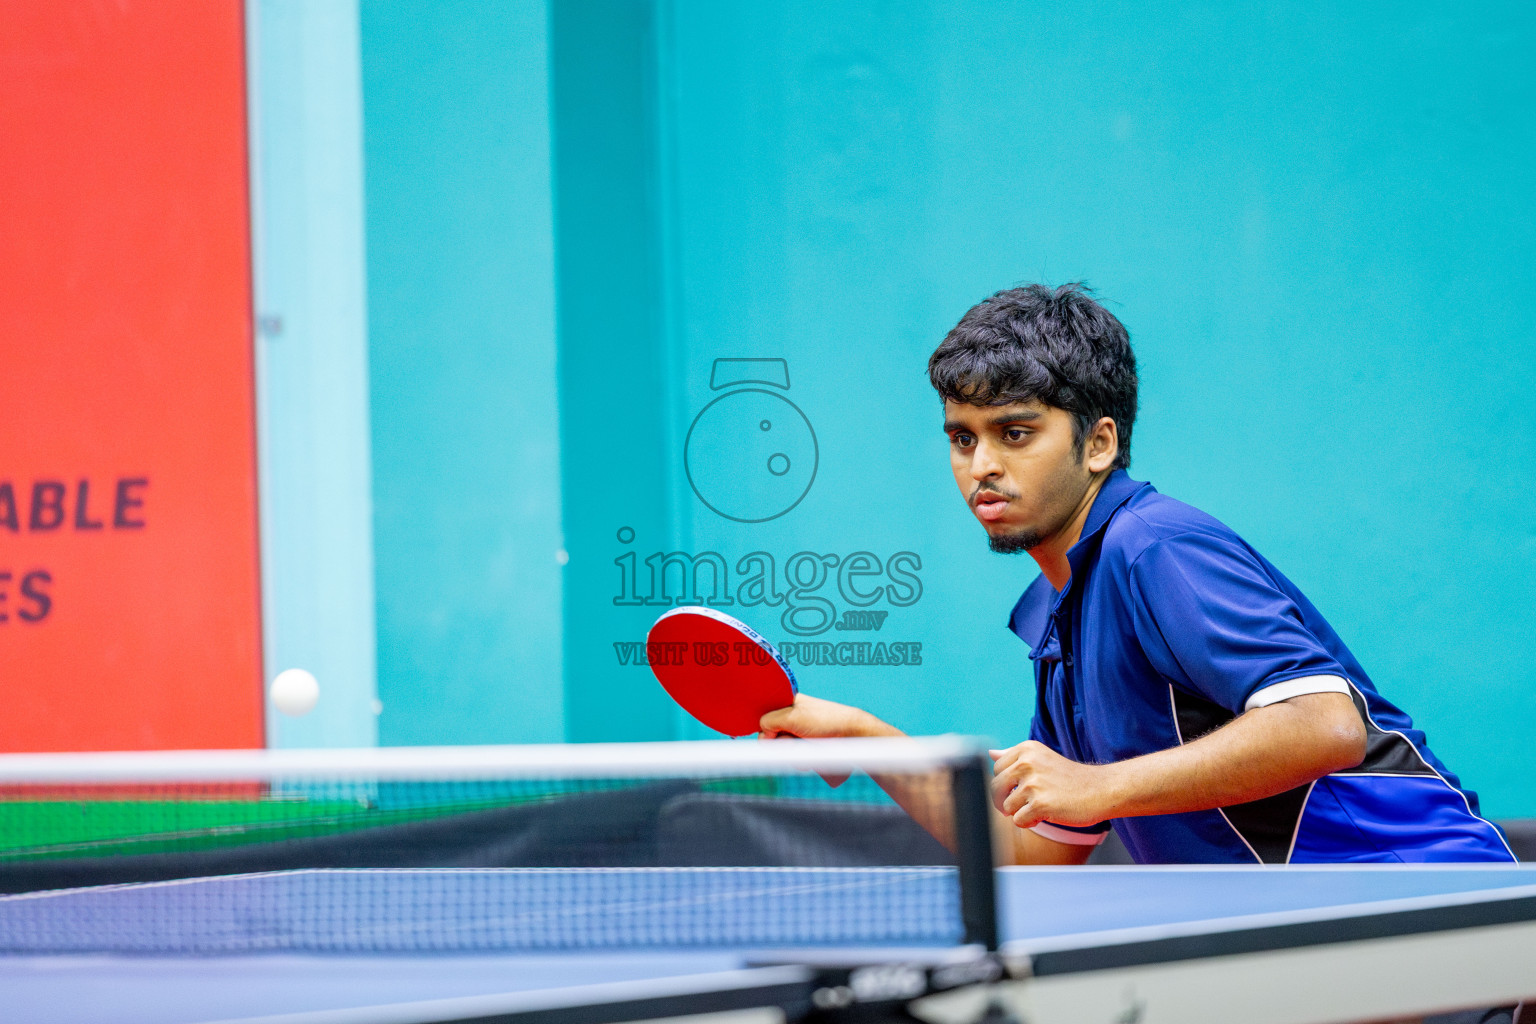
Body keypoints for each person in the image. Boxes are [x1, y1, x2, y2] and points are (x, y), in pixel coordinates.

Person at [760, 283, 1514, 867]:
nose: (981, 466)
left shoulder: (1153, 546)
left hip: (1423, 901)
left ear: (1098, 444)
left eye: (1014, 433)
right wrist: (869, 739)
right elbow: (1036, 853)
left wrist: (1099, 784)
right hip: (1305, 945)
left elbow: (1325, 724)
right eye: (962, 438)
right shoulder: (1062, 621)